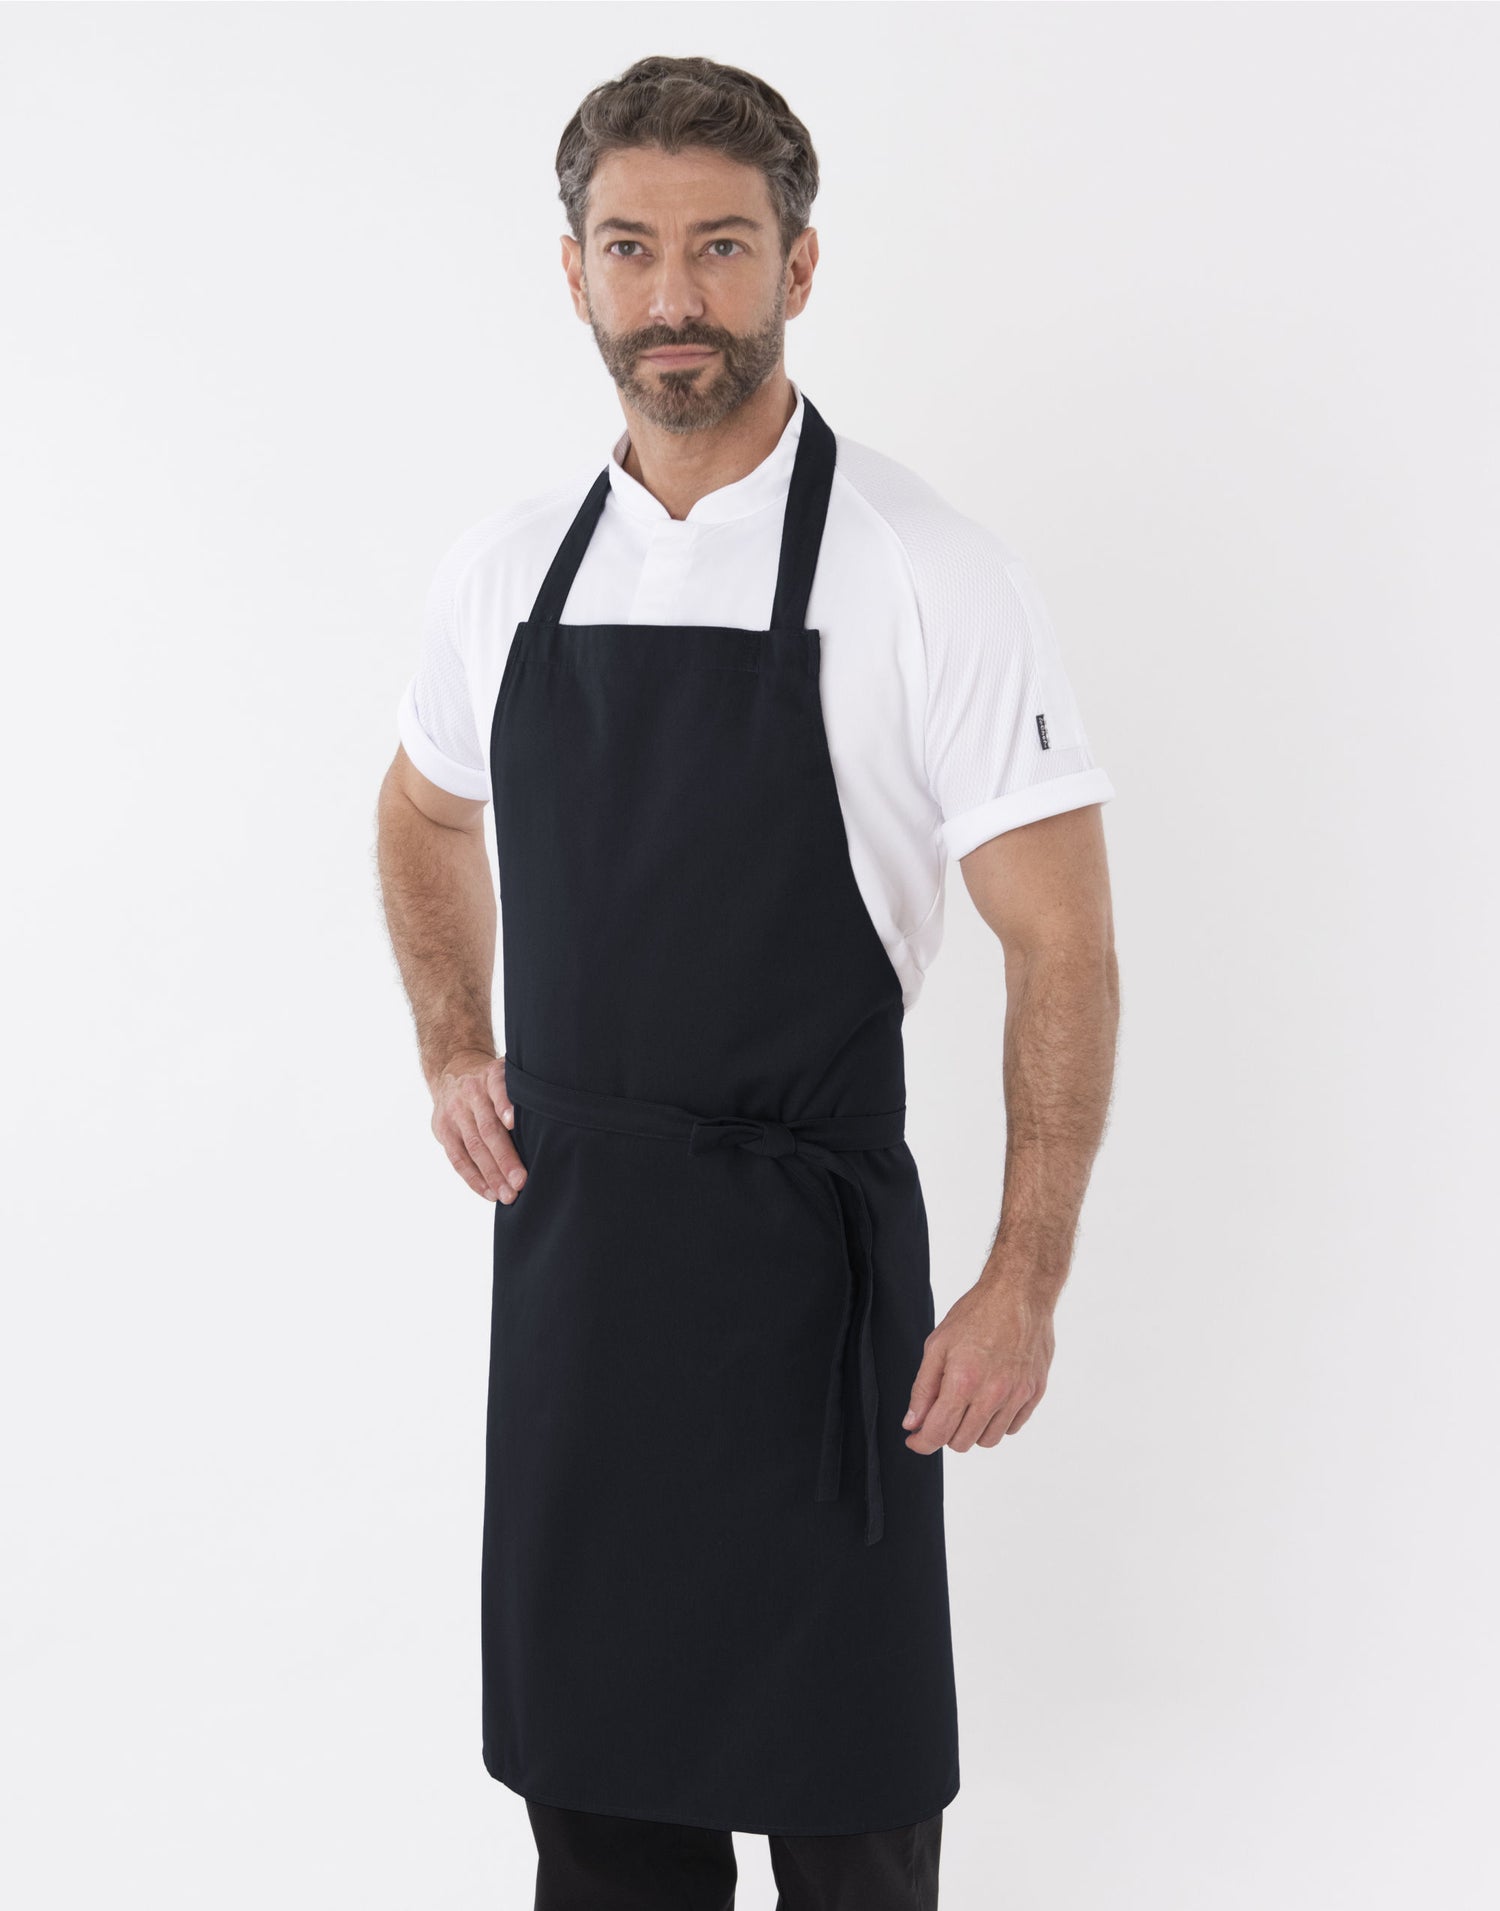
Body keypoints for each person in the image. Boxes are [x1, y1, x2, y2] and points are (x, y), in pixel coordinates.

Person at [377, 53, 1120, 1911]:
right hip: (580, 1290)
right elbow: (419, 809)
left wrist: (1025, 1278)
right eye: (632, 248)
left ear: (798, 264)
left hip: (814, 1302)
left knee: (851, 1831)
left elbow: (1065, 944)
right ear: (575, 274)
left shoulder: (929, 574)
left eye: (721, 246)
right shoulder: (506, 574)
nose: (676, 294)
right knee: (600, 1832)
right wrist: (455, 1039)